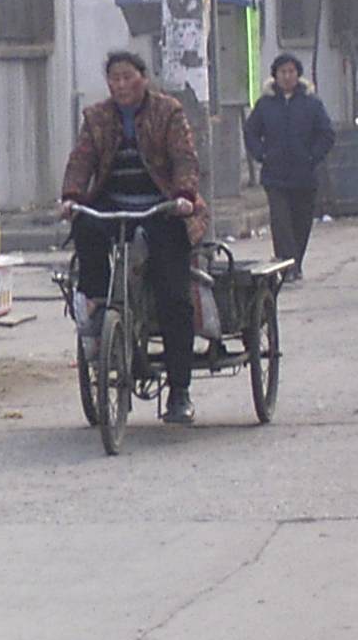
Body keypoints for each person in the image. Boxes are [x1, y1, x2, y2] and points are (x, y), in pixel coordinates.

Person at [58, 51, 210, 425]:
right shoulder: (96, 117)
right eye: (115, 79)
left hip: (162, 206)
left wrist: (185, 198)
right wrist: (72, 197)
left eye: (128, 77)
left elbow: (184, 159)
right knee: (85, 227)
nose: (121, 85)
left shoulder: (168, 112)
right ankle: (96, 301)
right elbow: (81, 160)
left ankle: (179, 391)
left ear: (143, 77)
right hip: (113, 204)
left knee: (174, 297)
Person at [243, 52, 334, 282]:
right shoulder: (265, 104)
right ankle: (287, 265)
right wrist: (261, 154)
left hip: (305, 175)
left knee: (301, 223)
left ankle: (295, 263)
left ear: (298, 74)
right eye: (282, 72)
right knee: (281, 222)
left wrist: (313, 157)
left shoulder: (311, 103)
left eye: (291, 71)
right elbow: (251, 132)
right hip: (275, 175)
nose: (287, 76)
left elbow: (326, 134)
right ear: (275, 75)